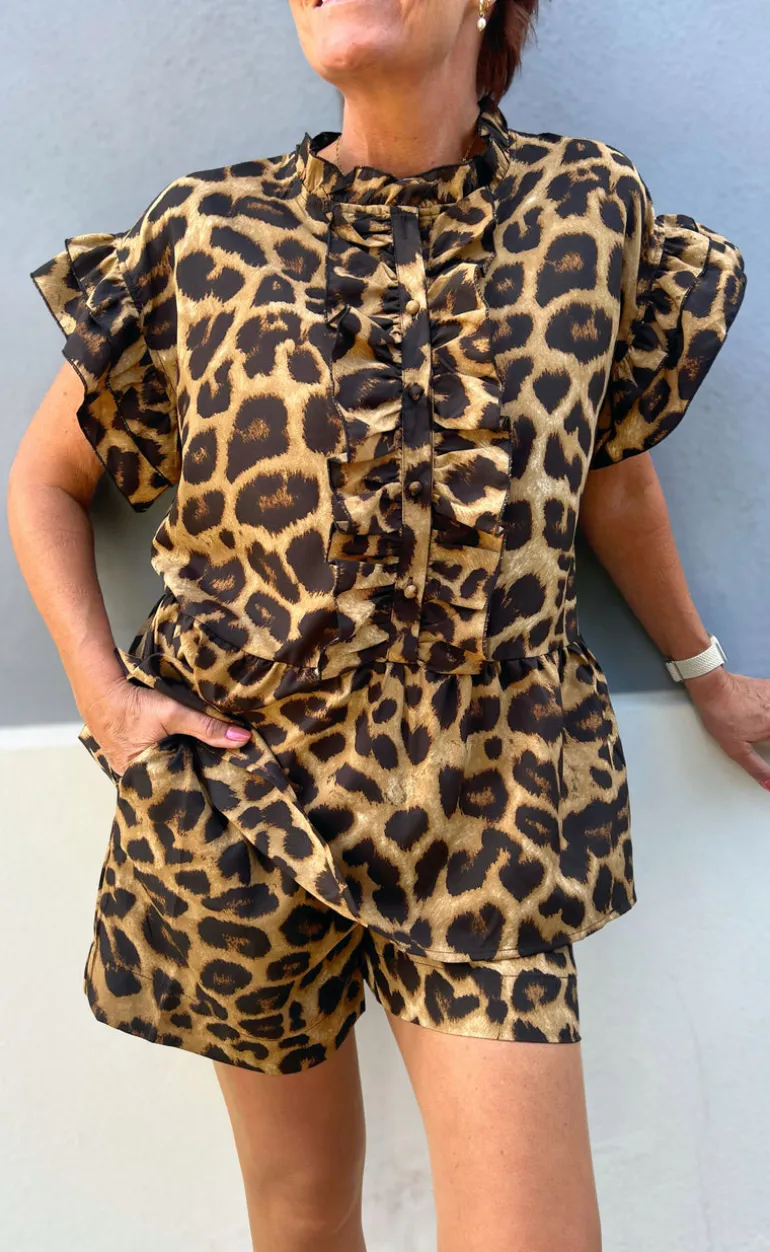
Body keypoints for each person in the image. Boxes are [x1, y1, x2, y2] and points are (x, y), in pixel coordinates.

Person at [9, 1, 770, 1249]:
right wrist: (106, 699)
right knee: (301, 1215)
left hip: (493, 804)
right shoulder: (204, 229)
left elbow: (612, 479)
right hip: (238, 799)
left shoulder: (589, 209)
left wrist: (702, 670)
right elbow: (45, 479)